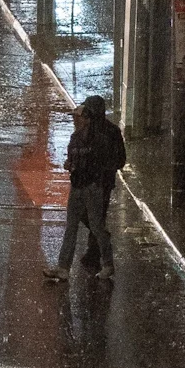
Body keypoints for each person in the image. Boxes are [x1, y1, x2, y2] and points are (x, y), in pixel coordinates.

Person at [45, 96, 127, 282]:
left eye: (78, 117)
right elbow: (74, 158)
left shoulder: (103, 137)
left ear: (88, 117)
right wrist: (72, 165)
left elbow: (114, 160)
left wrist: (98, 176)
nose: (75, 120)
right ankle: (64, 267)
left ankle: (104, 262)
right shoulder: (76, 137)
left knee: (96, 226)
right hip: (78, 186)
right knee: (74, 226)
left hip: (95, 187)